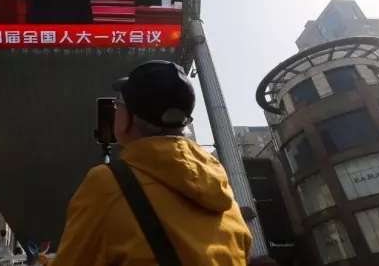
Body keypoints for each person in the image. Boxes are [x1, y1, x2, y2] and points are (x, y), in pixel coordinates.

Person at [51, 60, 253, 265]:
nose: (116, 112)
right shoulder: (224, 197)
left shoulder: (107, 184)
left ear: (130, 117)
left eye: (119, 105)